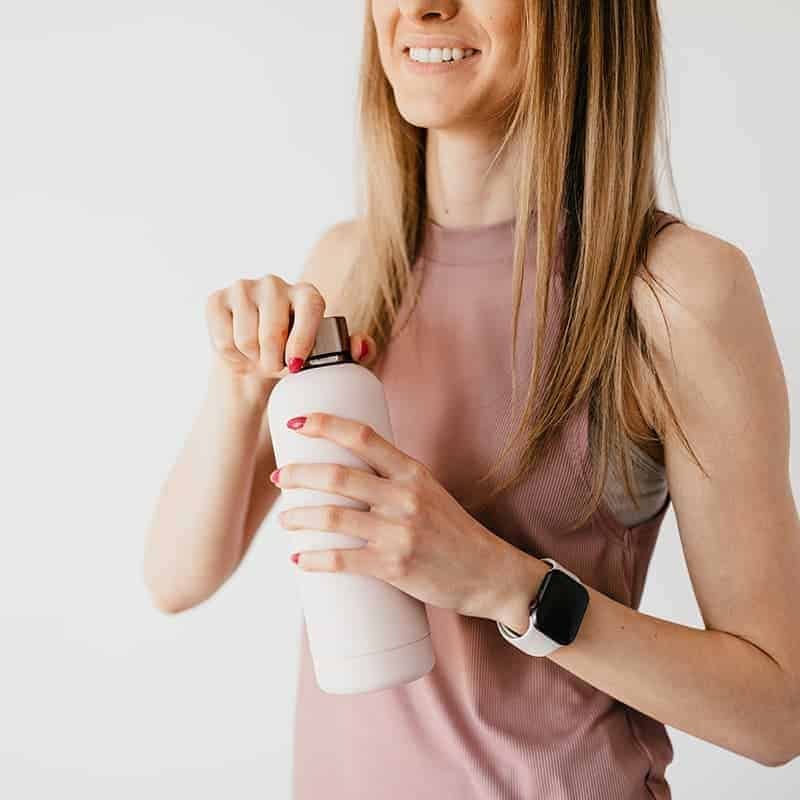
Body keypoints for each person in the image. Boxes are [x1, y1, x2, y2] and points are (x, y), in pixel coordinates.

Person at [143, 1, 800, 797]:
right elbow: (175, 578)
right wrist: (237, 382)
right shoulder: (351, 266)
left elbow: (776, 714)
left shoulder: (672, 289)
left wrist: (506, 584)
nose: (424, 7)